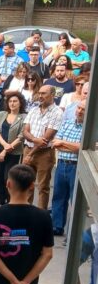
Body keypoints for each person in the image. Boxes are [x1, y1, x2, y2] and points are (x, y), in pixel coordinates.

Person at [22, 84, 62, 209]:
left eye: (44, 93)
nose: (40, 96)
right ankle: (26, 212)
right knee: (26, 183)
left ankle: (41, 216)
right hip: (28, 149)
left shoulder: (57, 113)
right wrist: (34, 139)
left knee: (43, 187)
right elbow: (25, 131)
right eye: (39, 93)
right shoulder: (34, 110)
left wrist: (30, 154)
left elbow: (46, 139)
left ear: (53, 95)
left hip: (44, 154)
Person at [50, 101, 85, 236]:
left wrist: (64, 143)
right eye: (79, 108)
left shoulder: (88, 129)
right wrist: (73, 146)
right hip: (62, 163)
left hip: (76, 166)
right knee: (58, 196)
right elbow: (55, 143)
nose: (80, 111)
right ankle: (57, 226)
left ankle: (73, 232)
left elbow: (80, 148)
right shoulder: (67, 123)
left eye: (83, 109)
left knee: (74, 200)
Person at [0, 92, 27, 206]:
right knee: (0, 177)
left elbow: (21, 136)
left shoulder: (24, 117)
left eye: (15, 101)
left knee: (9, 178)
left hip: (14, 152)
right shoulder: (2, 114)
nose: (12, 103)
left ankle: (10, 201)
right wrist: (4, 145)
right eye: (10, 101)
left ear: (20, 103)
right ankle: (1, 201)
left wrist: (6, 149)